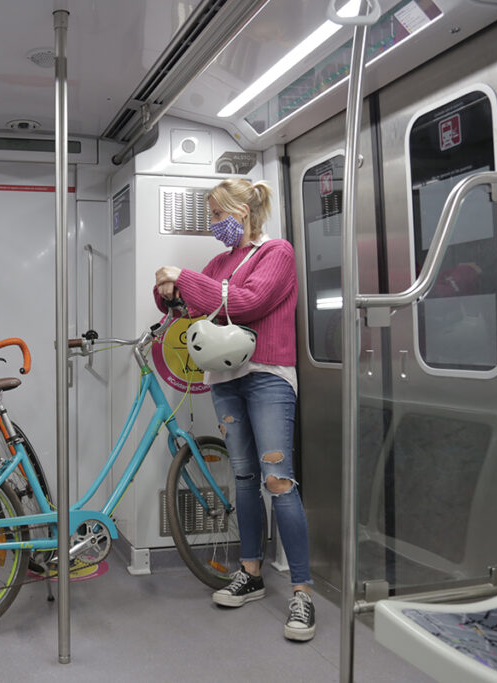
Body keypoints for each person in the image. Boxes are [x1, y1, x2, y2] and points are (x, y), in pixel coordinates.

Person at [153, 178, 316, 642]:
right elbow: (195, 304)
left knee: (277, 480)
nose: (213, 225)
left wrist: (183, 278)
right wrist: (170, 291)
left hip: (267, 377)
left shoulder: (275, 253)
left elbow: (246, 303)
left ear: (242, 213)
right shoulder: (219, 262)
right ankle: (251, 572)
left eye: (218, 215)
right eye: (210, 217)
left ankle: (302, 591)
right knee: (243, 477)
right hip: (226, 380)